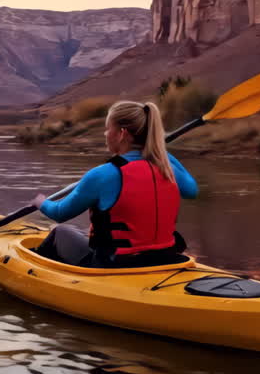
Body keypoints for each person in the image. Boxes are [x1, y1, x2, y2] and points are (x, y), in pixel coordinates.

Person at [30, 100, 197, 268]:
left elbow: (60, 213)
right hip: (166, 258)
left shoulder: (102, 175)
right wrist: (160, 151)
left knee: (60, 232)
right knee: (83, 234)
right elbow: (192, 191)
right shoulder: (169, 170)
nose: (105, 134)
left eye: (108, 128)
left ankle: (35, 274)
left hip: (116, 265)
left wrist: (41, 202)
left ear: (122, 133)